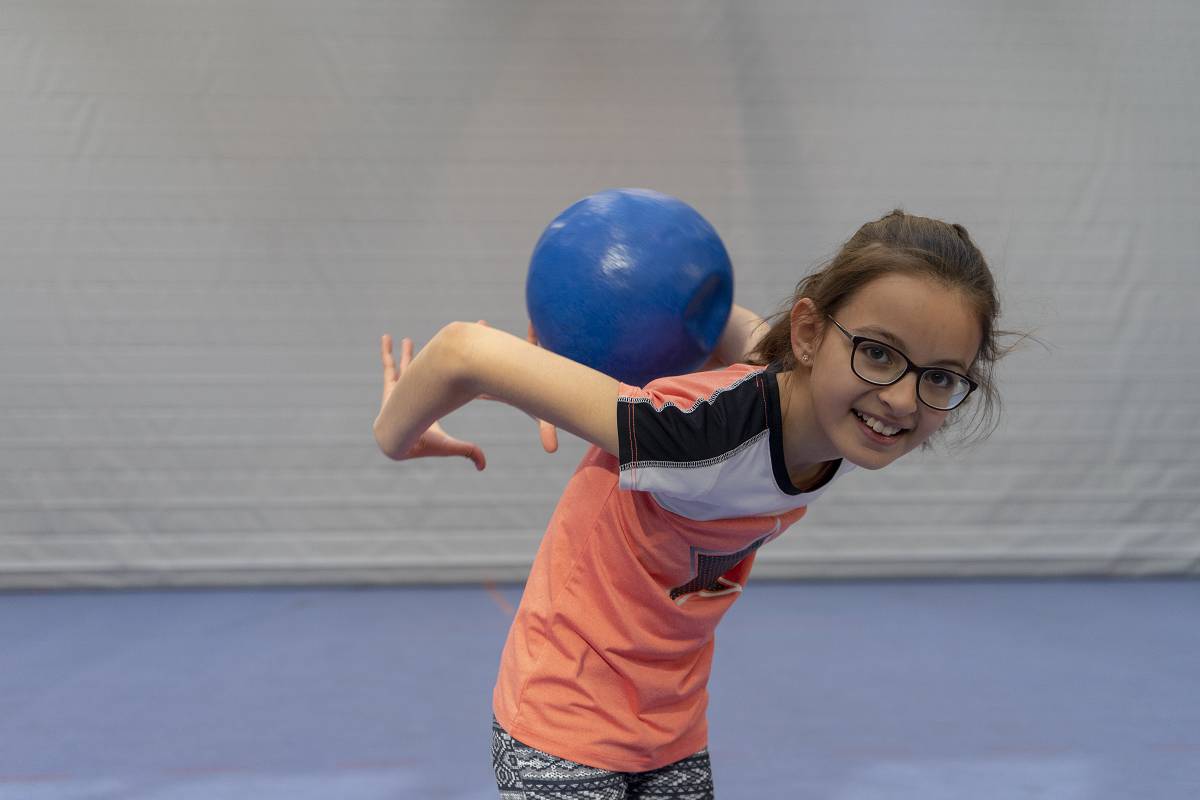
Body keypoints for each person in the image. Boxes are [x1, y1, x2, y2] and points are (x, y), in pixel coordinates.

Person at [374, 209, 1009, 799]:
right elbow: (463, 350)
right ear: (810, 333)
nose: (901, 399)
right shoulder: (698, 437)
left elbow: (727, 320)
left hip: (669, 723)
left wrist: (619, 331)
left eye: (939, 376)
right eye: (877, 353)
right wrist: (396, 438)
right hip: (563, 719)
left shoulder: (836, 414)